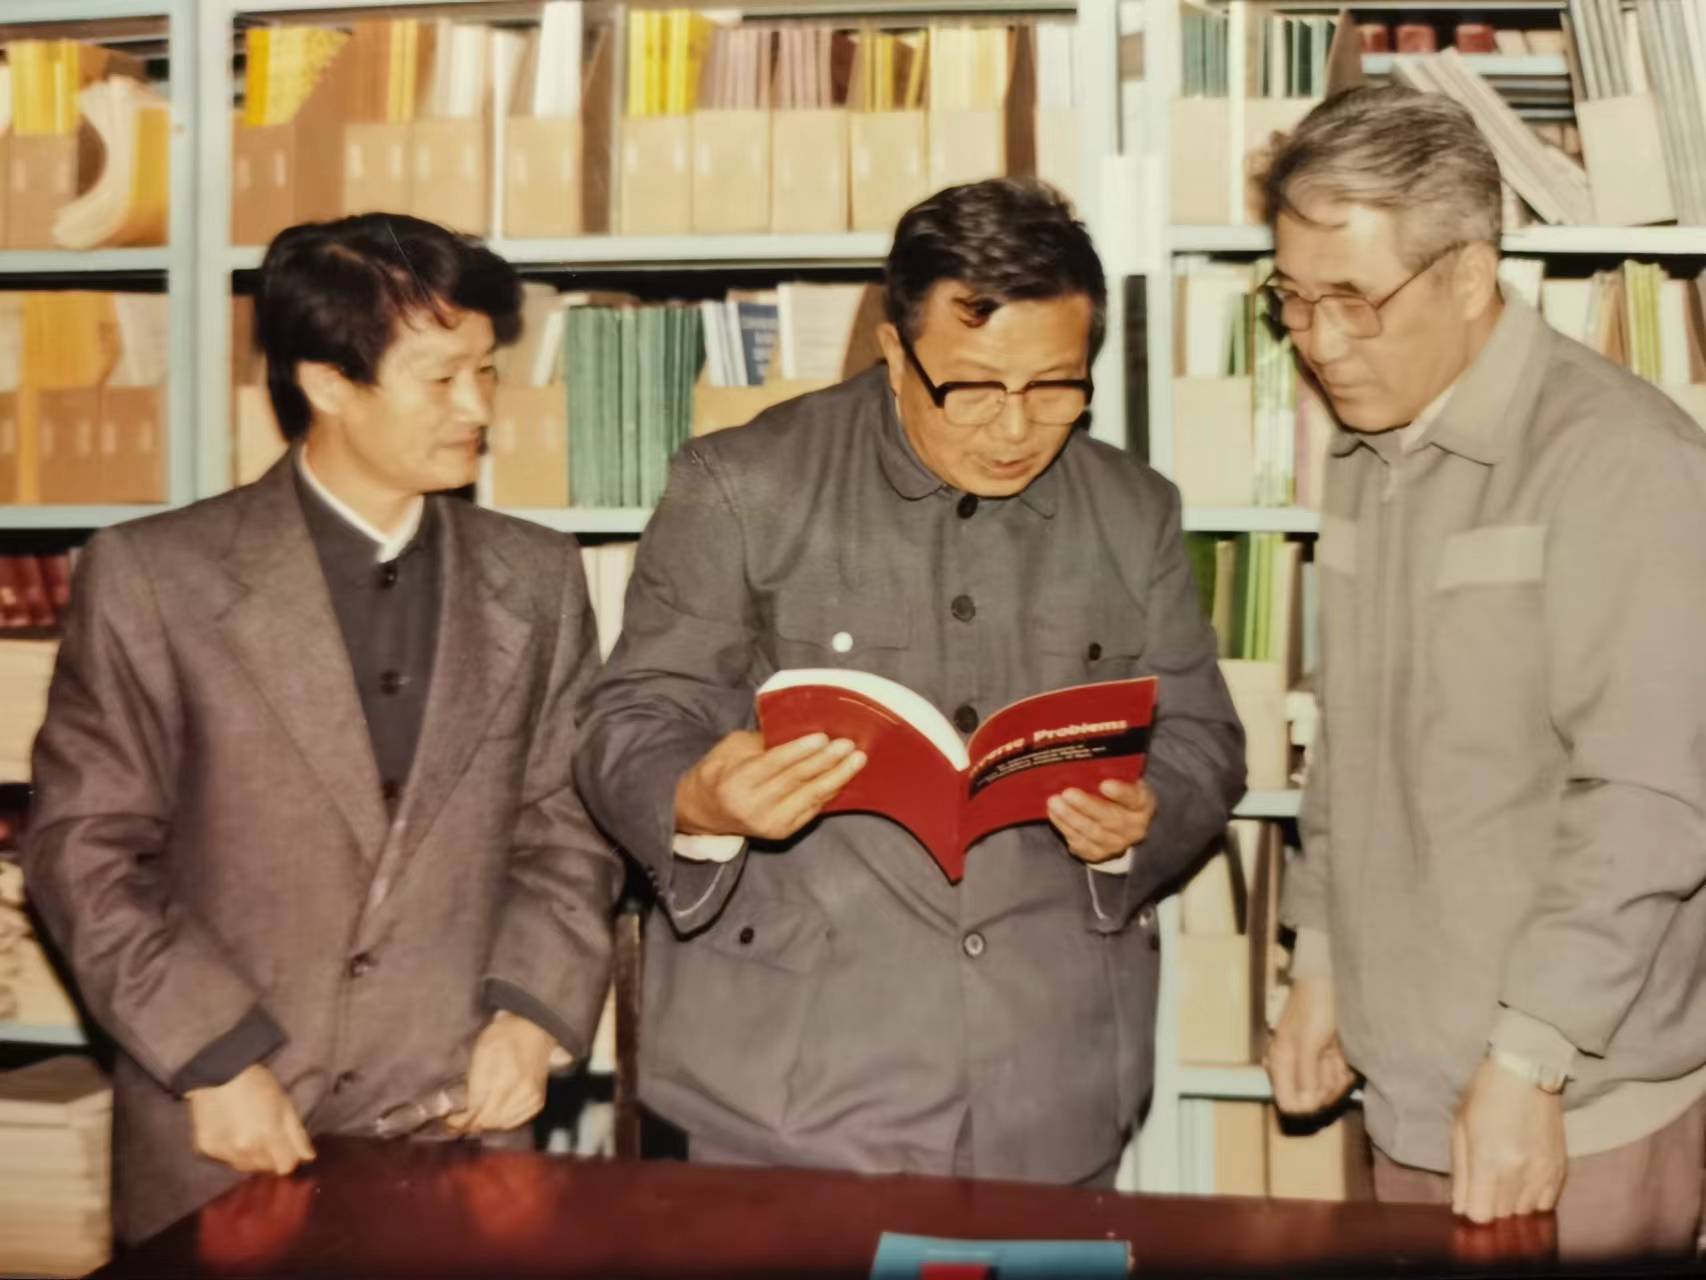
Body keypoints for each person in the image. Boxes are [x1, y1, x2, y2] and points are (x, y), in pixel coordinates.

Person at [574, 178, 1244, 1184]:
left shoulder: (1132, 509)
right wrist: (699, 797)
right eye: (972, 387)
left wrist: (1145, 814)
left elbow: (1202, 735)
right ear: (894, 352)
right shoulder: (743, 483)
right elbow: (631, 715)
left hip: (1052, 1088)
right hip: (790, 1091)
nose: (1015, 428)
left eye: (1056, 386)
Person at [23, 213, 621, 1244]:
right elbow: (82, 848)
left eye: (486, 370)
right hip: (225, 1126)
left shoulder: (537, 575)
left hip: (461, 1129)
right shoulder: (154, 577)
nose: (478, 406)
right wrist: (212, 1056)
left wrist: (530, 1016)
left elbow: (567, 825)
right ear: (328, 382)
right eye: (441, 378)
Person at [1259, 85, 1706, 1259]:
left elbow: (1647, 802)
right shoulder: (1364, 446)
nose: (1319, 342)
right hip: (1405, 1078)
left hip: (1567, 1099)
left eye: (1352, 300)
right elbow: (1349, 742)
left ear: (1467, 274)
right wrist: (1322, 961)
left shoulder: (1622, 462)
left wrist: (1528, 1056)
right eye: (1291, 299)